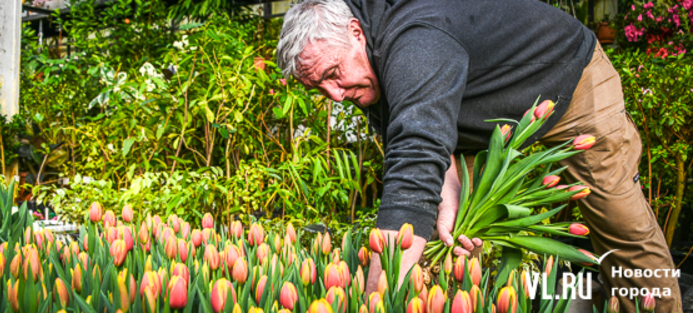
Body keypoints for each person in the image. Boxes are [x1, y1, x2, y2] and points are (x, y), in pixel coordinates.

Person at [276, 0, 682, 311]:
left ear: (355, 31)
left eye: (332, 75)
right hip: (482, 114)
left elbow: (415, 161)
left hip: (565, 78)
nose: (335, 95)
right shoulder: (358, 60)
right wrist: (446, 191)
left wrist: (377, 298)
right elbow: (428, 144)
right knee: (454, 236)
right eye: (320, 89)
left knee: (620, 225)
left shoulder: (415, 41)